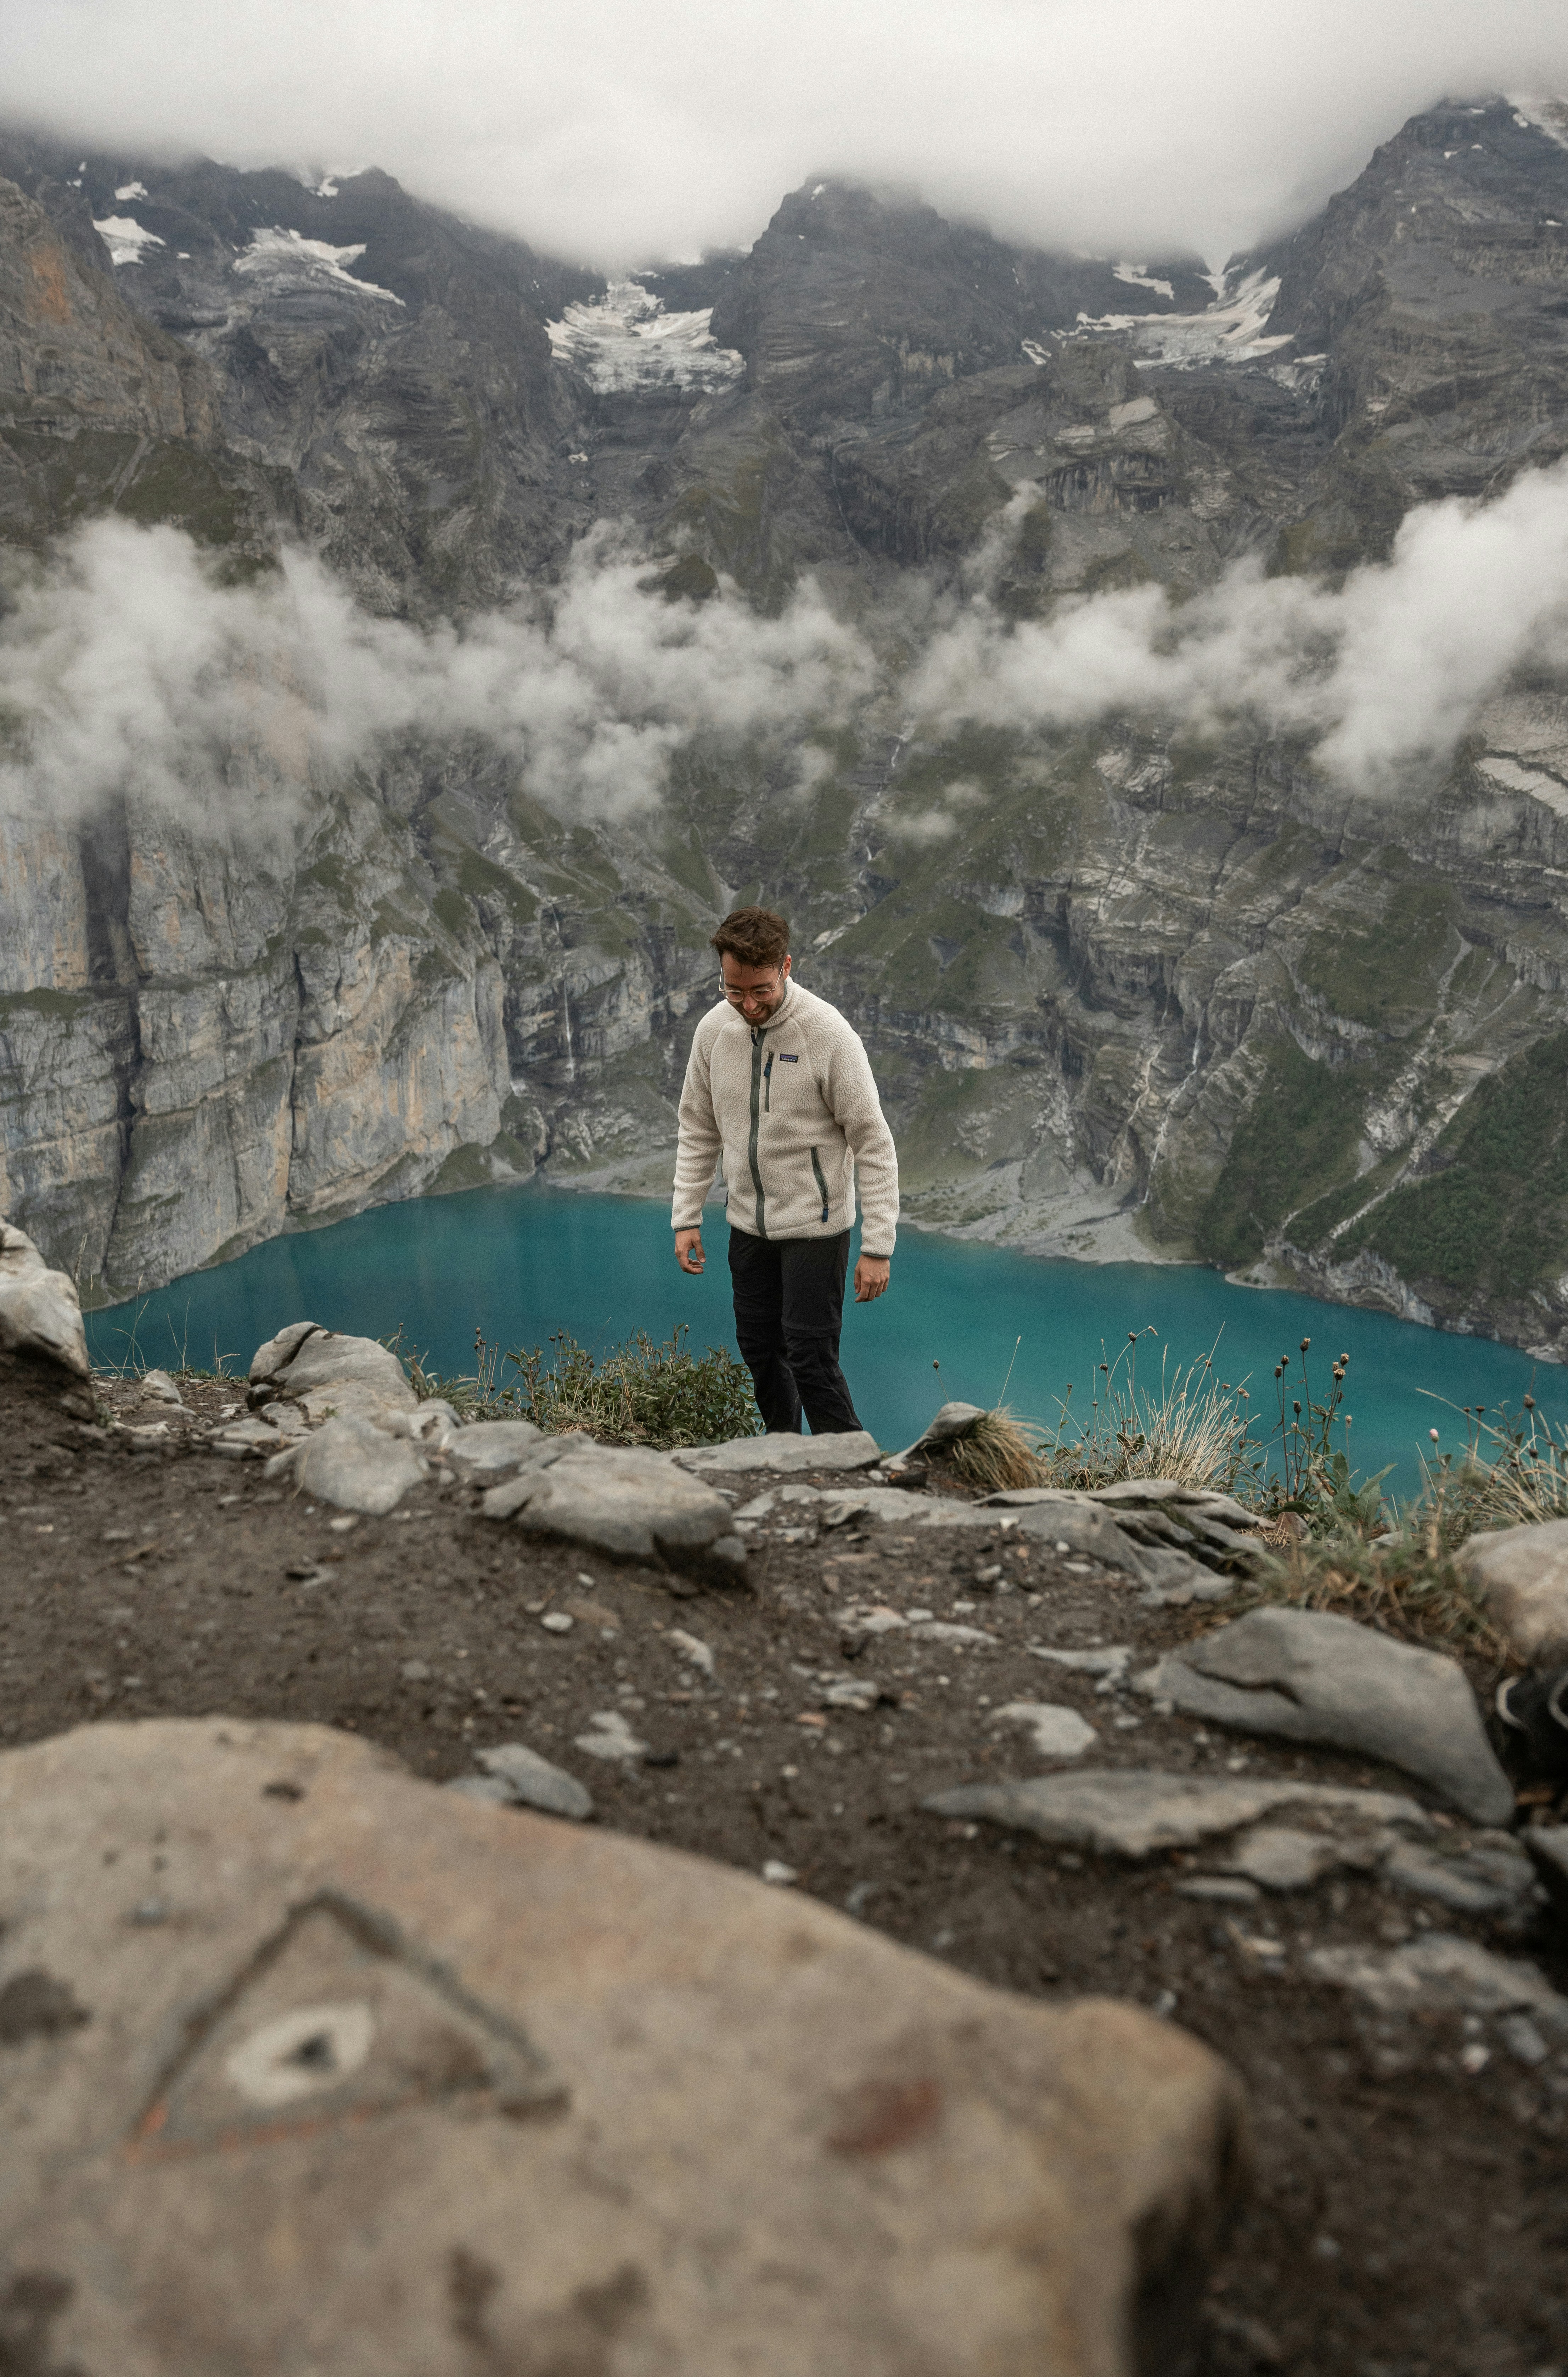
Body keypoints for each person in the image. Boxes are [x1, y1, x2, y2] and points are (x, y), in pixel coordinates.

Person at [672, 905, 898, 1436]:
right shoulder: (713, 1031)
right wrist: (685, 1216)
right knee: (757, 1349)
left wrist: (878, 1246)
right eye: (734, 991)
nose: (748, 1005)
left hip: (816, 1228)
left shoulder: (827, 1034)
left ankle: (851, 1465)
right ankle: (782, 1454)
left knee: (810, 1356)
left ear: (786, 967)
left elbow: (873, 1141)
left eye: (761, 991)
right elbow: (697, 1127)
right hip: (748, 1224)